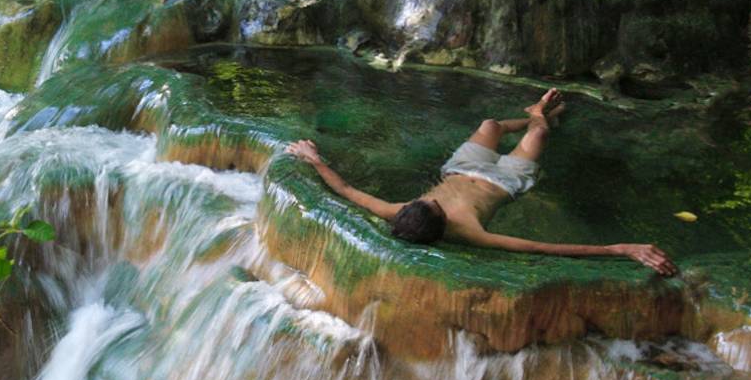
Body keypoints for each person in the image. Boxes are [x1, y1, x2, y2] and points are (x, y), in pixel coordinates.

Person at [285, 89, 677, 275]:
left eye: (427, 199)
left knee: (490, 125)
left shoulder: (399, 212)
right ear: (443, 225)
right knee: (538, 137)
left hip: (464, 166)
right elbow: (544, 247)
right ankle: (540, 113)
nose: (433, 200)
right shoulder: (471, 232)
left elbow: (348, 191)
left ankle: (536, 115)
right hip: (505, 181)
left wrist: (314, 159)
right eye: (437, 206)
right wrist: (621, 248)